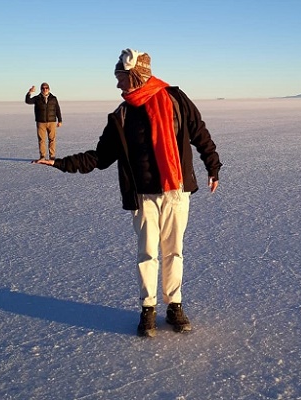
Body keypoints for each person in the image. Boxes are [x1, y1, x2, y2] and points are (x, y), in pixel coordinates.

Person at [33, 48, 222, 338]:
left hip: (176, 191)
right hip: (143, 196)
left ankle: (174, 305)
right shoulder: (121, 115)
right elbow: (100, 157)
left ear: (135, 77)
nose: (118, 84)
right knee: (148, 252)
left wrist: (213, 165)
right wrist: (60, 163)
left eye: (120, 77)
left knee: (174, 251)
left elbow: (199, 132)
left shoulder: (175, 100)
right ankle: (148, 308)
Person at [25, 82, 63, 160]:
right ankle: (42, 156)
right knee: (42, 140)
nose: (45, 89)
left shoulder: (53, 98)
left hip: (52, 122)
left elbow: (57, 109)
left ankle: (52, 156)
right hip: (41, 122)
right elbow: (28, 101)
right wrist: (29, 92)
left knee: (52, 139)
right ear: (41, 89)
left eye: (46, 88)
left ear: (49, 89)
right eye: (43, 88)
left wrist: (60, 120)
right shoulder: (37, 98)